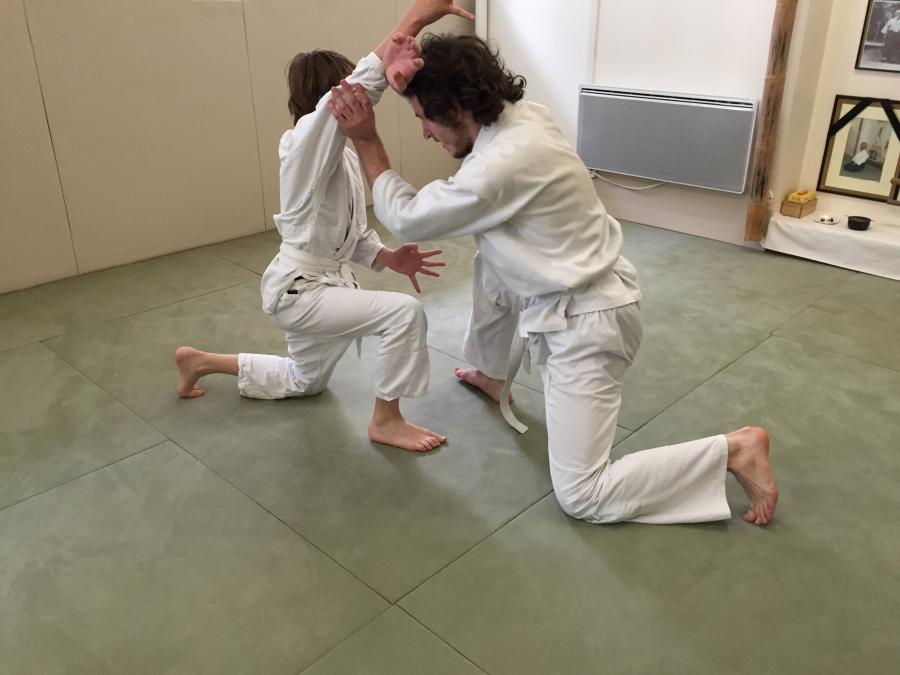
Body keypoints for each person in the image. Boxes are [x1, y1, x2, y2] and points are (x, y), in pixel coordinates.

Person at [328, 34, 778, 525]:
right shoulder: (524, 117)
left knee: (584, 494)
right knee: (492, 257)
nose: (425, 134)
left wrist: (367, 141)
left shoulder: (500, 166)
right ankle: (490, 372)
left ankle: (734, 450)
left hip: (587, 327)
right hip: (591, 288)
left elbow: (408, 218)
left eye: (424, 118)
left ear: (456, 108)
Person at [174, 1, 475, 453]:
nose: (356, 101)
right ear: (328, 98)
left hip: (323, 284)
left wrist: (388, 257)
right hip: (302, 291)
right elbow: (353, 91)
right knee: (404, 313)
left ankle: (200, 361)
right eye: (345, 91)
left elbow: (344, 233)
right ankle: (387, 420)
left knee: (305, 380)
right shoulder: (301, 144)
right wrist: (411, 21)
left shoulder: (339, 158)